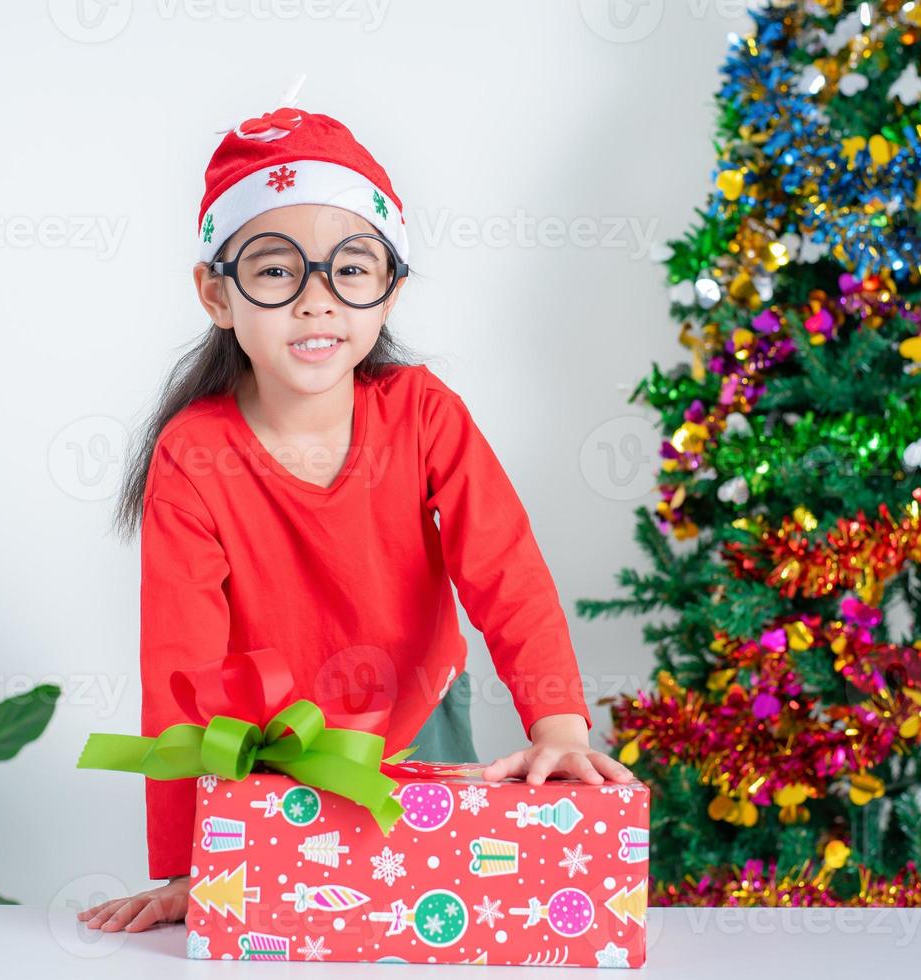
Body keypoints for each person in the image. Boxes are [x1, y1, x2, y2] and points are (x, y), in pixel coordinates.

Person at [79, 87, 632, 935]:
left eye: (351, 269)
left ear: (389, 289)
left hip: (421, 721)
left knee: (430, 927)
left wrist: (557, 721)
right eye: (274, 269)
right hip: (265, 756)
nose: (317, 299)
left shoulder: (423, 413)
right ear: (216, 295)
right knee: (289, 934)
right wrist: (193, 867)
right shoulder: (194, 455)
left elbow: (505, 570)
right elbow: (179, 678)